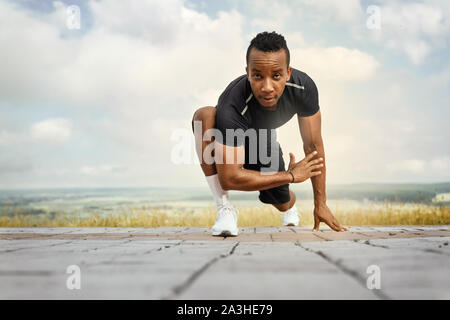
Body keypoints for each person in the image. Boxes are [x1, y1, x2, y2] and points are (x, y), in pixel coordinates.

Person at [191, 31, 347, 236]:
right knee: (204, 116)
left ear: (288, 72)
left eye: (276, 76)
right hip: (229, 142)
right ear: (247, 73)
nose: (267, 87)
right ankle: (225, 209)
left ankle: (290, 207)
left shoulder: (303, 87)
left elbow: (313, 147)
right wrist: (291, 175)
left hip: (263, 141)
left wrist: (321, 203)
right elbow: (229, 178)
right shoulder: (232, 103)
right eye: (257, 76)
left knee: (282, 202)